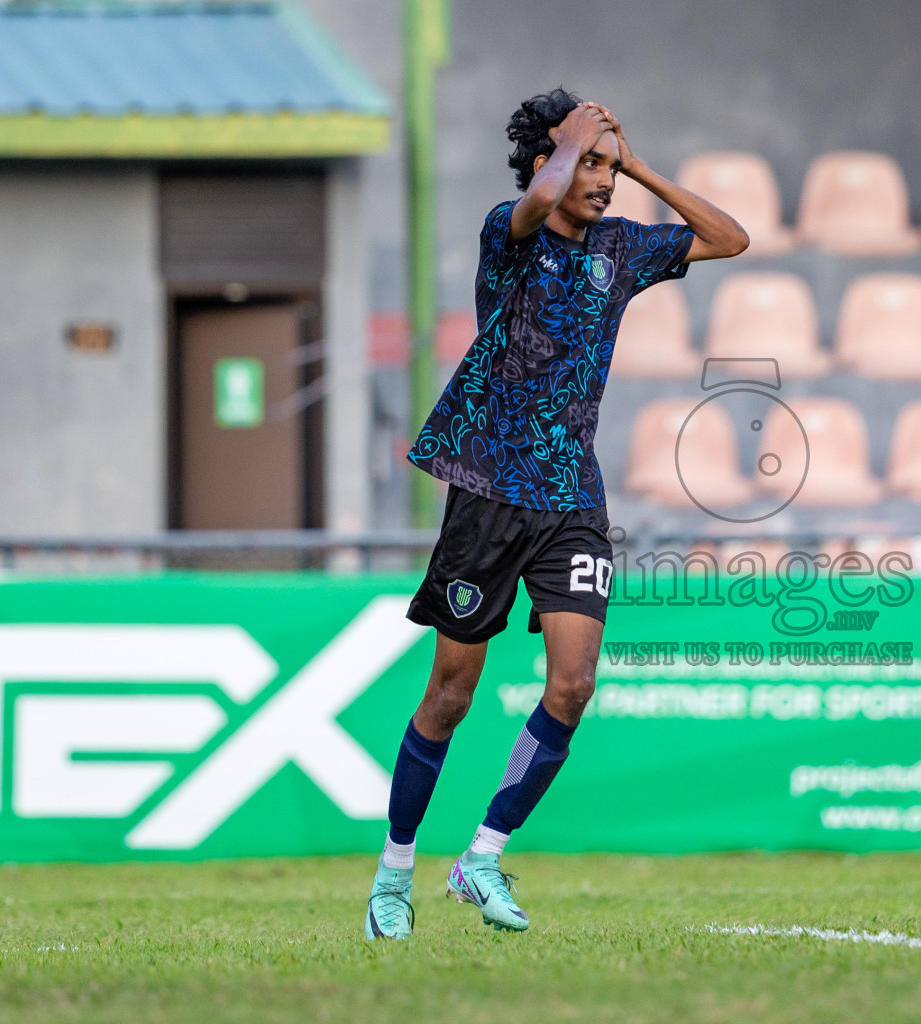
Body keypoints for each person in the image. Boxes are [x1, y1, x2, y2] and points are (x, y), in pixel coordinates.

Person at [364, 88, 748, 939]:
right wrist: (574, 137)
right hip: (489, 491)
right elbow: (537, 199)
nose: (603, 183)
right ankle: (394, 874)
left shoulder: (621, 246)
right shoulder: (512, 231)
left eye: (611, 168)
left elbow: (729, 238)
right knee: (451, 695)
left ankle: (482, 858)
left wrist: (637, 162)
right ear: (550, 161)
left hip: (571, 496)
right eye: (591, 165)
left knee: (572, 685)